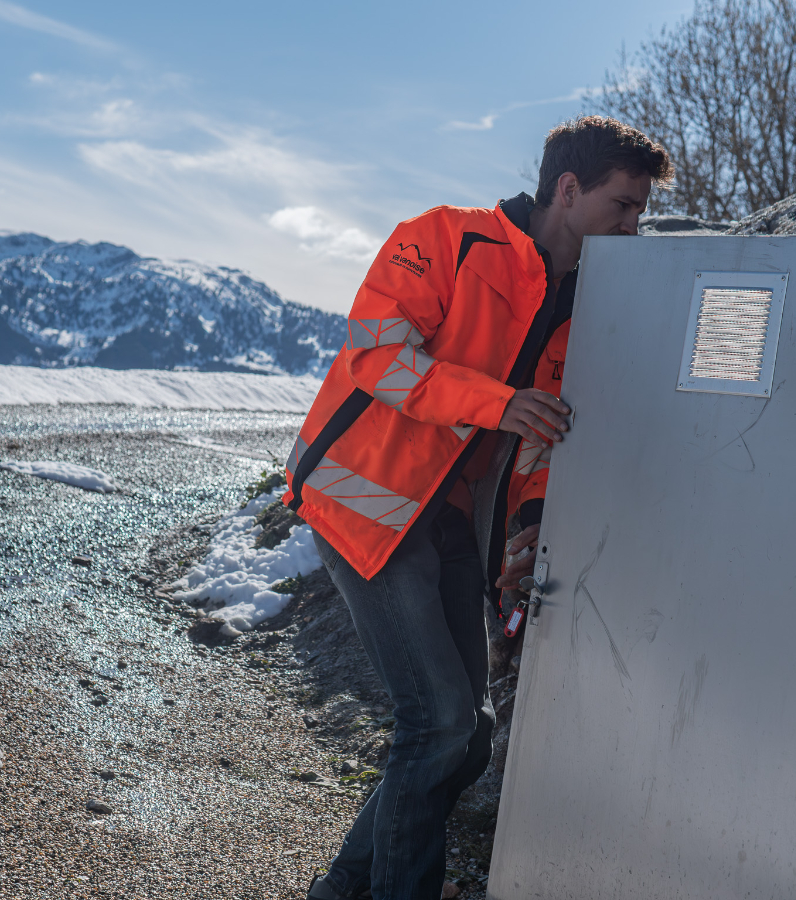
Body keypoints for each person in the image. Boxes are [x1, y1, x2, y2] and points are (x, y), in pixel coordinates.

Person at [286, 115, 673, 900]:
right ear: (569, 189)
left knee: (468, 741)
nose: (634, 226)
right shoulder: (445, 239)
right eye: (624, 206)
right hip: (363, 509)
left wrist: (529, 531)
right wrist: (500, 404)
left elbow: (540, 436)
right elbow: (376, 356)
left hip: (452, 522)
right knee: (435, 724)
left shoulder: (582, 306)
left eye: (641, 211)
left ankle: (342, 889)